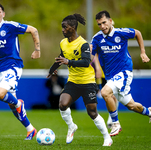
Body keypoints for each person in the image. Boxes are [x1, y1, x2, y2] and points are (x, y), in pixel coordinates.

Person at [0, 2, 40, 140]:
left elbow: (33, 30)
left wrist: (37, 49)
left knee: (0, 94)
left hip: (13, 66)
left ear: (3, 14)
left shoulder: (10, 26)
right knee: (12, 106)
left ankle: (19, 104)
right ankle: (30, 129)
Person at [47, 14, 113, 146]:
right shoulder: (63, 42)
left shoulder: (83, 44)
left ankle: (107, 137)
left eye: (65, 27)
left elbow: (86, 61)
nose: (62, 30)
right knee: (62, 104)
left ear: (73, 27)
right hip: (73, 81)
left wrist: (68, 62)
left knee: (92, 112)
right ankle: (71, 126)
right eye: (62, 27)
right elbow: (62, 56)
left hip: (88, 82)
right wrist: (52, 69)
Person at [90, 10, 151, 137]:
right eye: (99, 24)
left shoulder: (121, 33)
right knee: (132, 106)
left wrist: (143, 52)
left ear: (110, 21)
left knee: (105, 92)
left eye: (104, 23)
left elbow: (137, 33)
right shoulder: (97, 38)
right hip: (110, 76)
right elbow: (91, 55)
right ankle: (149, 112)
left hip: (124, 72)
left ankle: (115, 123)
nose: (102, 26)